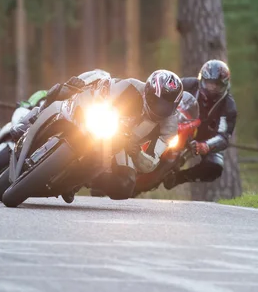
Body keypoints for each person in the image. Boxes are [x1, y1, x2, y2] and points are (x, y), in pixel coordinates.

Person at [10, 68, 184, 202]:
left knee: (124, 187)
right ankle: (31, 119)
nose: (160, 109)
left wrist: (136, 152)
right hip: (104, 119)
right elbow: (103, 90)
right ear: (148, 91)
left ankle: (73, 183)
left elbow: (151, 162)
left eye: (166, 106)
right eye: (157, 101)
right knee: (61, 91)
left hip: (125, 144)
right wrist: (80, 89)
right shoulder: (130, 86)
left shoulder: (169, 128)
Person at [163, 59, 237, 189]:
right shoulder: (187, 84)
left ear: (225, 85)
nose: (212, 88)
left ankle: (179, 178)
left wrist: (206, 146)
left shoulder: (228, 106)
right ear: (202, 80)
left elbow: (223, 136)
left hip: (205, 139)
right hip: (179, 124)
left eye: (217, 85)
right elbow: (167, 92)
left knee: (215, 166)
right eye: (209, 84)